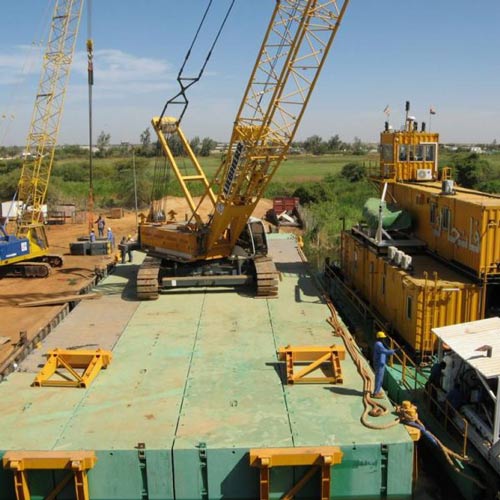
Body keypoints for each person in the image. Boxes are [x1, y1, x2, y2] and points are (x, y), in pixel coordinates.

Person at [372, 331, 398, 399]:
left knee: (380, 379)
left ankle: (378, 391)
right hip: (379, 364)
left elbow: (384, 351)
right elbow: (385, 351)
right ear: (380, 338)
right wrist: (394, 351)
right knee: (378, 378)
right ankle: (376, 393)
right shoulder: (378, 344)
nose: (384, 339)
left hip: (381, 363)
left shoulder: (380, 343)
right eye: (382, 338)